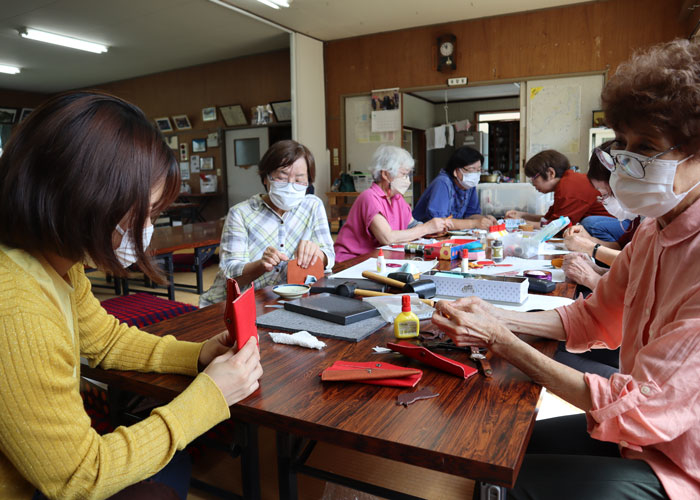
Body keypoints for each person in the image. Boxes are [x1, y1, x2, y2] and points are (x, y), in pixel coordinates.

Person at [433, 38, 700, 499]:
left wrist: (503, 341)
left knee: (501, 488)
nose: (630, 164)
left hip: (681, 464)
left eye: (649, 148)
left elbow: (638, 406)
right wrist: (496, 318)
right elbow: (591, 317)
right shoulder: (655, 231)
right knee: (499, 449)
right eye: (626, 146)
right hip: (638, 440)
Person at [0, 91, 263, 499]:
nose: (149, 229)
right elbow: (79, 479)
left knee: (173, 467)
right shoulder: (16, 309)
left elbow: (104, 340)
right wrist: (210, 397)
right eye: (149, 212)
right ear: (84, 195)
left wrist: (195, 355)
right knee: (164, 482)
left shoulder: (60, 263)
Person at [200, 140, 334, 307]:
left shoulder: (313, 206)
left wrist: (319, 254)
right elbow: (230, 273)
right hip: (237, 303)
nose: (290, 186)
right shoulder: (241, 214)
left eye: (299, 180)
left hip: (286, 301)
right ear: (265, 178)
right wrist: (261, 265)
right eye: (281, 178)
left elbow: (330, 254)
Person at [334, 145, 452, 262]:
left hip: (377, 259)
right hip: (352, 261)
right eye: (403, 174)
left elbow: (412, 225)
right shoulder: (369, 197)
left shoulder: (397, 198)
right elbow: (387, 238)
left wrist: (434, 229)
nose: (408, 180)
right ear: (385, 174)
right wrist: (427, 228)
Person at [562, 140, 643, 291]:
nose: (604, 202)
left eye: (605, 194)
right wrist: (589, 240)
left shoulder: (650, 219)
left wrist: (592, 249)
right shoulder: (637, 219)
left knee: (592, 222)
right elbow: (622, 249)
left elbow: (641, 266)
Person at [505, 149, 623, 241]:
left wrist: (520, 222)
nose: (533, 184)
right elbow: (548, 220)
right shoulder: (565, 183)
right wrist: (523, 215)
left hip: (615, 227)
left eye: (533, 178)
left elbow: (557, 227)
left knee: (589, 223)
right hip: (609, 224)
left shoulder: (569, 187)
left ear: (551, 173)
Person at [412, 146, 497, 230]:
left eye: (478, 170)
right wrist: (474, 223)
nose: (475, 174)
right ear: (456, 172)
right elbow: (440, 222)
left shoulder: (468, 185)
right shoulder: (442, 183)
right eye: (471, 170)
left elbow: (470, 215)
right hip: (423, 236)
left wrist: (484, 219)